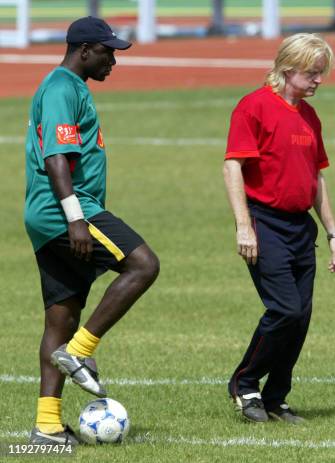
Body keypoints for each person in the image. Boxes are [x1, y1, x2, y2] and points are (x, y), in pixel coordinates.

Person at [25, 16, 160, 445]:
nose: (113, 61)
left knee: (60, 318)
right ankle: (79, 352)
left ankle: (46, 428)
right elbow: (56, 160)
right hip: (65, 211)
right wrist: (76, 219)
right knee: (143, 265)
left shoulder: (67, 87)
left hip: (52, 215)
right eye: (108, 52)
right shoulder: (62, 88)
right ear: (84, 50)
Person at [223, 33, 335, 424]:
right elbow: (232, 167)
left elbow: (316, 179)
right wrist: (244, 226)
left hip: (299, 228)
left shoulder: (309, 116)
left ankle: (276, 398)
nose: (319, 80)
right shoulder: (253, 107)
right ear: (288, 70)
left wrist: (333, 234)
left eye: (321, 73)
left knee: (300, 318)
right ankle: (244, 384)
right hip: (265, 223)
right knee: (285, 310)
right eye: (312, 73)